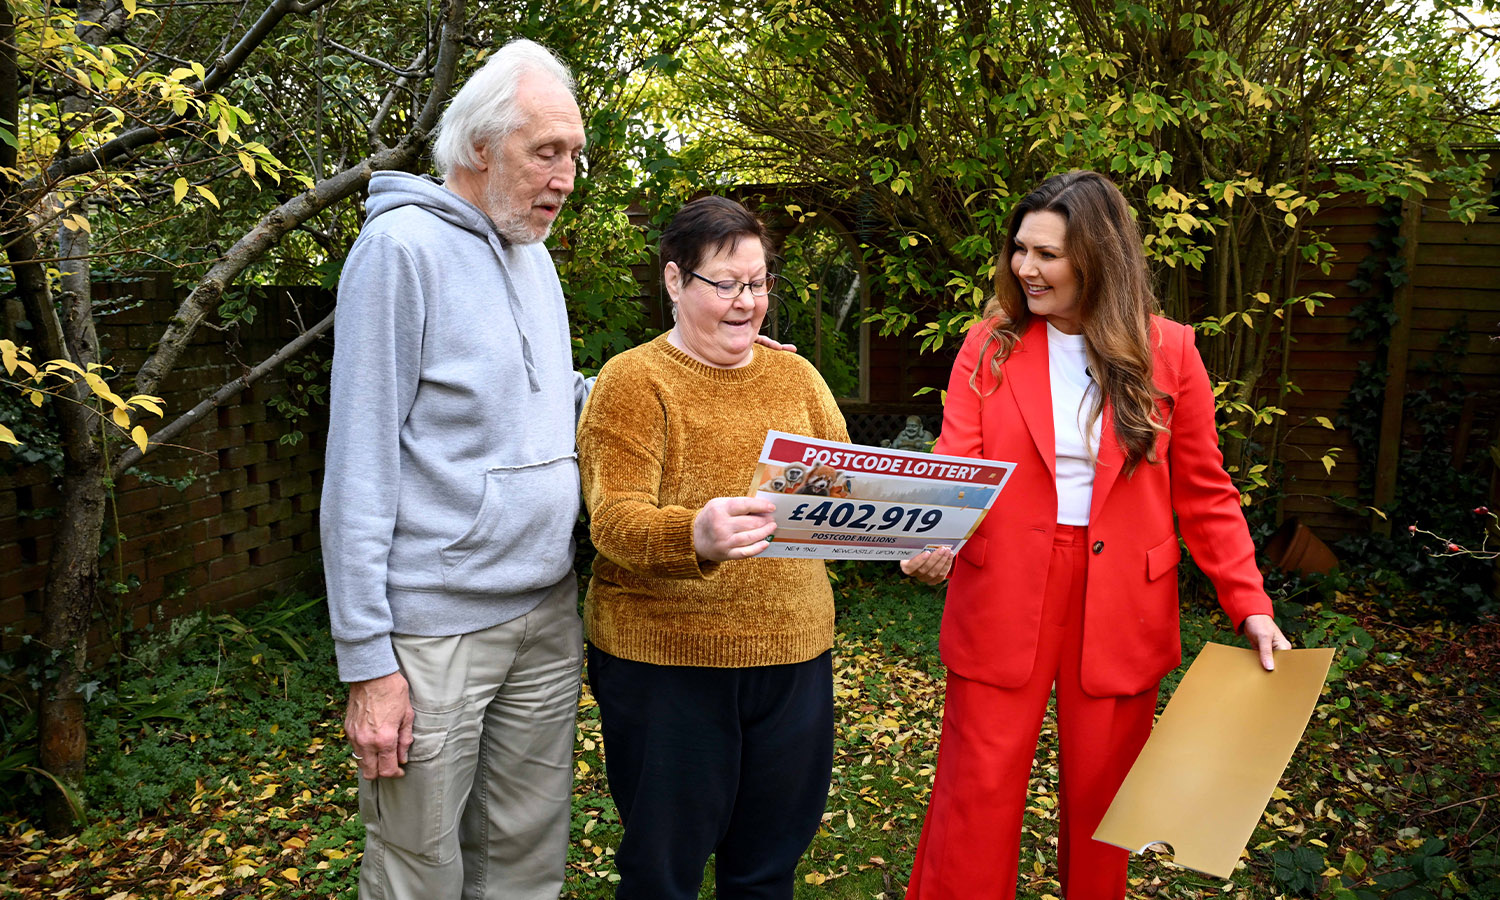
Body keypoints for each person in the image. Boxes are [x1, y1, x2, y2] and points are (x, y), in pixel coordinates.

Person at [902, 170, 1292, 900]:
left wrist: (1252, 605)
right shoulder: (988, 346)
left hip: (1122, 600)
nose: (1025, 269)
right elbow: (957, 467)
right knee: (975, 791)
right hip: (1004, 585)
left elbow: (1205, 492)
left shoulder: (1168, 351)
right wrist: (935, 537)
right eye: (1020, 250)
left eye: (1047, 254)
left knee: (1106, 803)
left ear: (1098, 256)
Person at [321, 39, 589, 900]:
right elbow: (358, 468)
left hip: (546, 611)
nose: (566, 175)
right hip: (435, 634)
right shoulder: (400, 251)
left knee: (526, 858)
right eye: (546, 152)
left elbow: (554, 402)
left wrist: (702, 363)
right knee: (418, 869)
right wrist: (369, 666)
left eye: (575, 153)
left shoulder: (534, 255)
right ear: (480, 145)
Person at [577, 196, 872, 899]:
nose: (748, 303)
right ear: (676, 282)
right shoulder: (632, 380)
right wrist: (695, 535)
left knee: (766, 870)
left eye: (760, 282)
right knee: (663, 873)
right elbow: (611, 522)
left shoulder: (795, 375)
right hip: (665, 665)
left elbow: (848, 485)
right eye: (727, 285)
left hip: (795, 655)